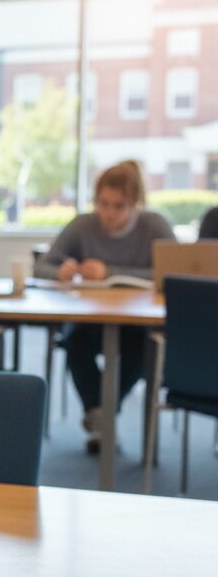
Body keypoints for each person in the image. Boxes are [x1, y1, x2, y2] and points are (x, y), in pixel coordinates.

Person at [34, 160, 175, 452]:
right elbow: (43, 265)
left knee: (141, 351)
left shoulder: (154, 225)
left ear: (135, 203)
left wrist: (109, 271)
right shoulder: (83, 225)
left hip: (137, 321)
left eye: (118, 206)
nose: (108, 213)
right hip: (89, 318)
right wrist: (60, 272)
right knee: (74, 341)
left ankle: (101, 414)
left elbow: (171, 272)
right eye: (102, 203)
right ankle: (102, 415)